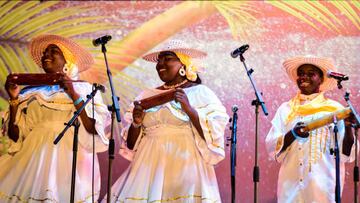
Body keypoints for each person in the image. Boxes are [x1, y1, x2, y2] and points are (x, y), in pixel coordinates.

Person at [108, 40, 229, 202]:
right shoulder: (145, 95)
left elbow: (214, 135)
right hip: (149, 165)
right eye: (159, 60)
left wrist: (189, 109)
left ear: (183, 64)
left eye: (168, 58)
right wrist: (136, 122)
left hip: (186, 165)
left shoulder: (201, 92)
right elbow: (130, 145)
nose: (160, 64)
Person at [0, 34, 110, 202]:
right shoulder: (28, 91)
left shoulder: (84, 88)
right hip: (32, 156)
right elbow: (15, 136)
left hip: (68, 157)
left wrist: (73, 93)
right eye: (45, 52)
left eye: (53, 51)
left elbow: (92, 129)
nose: (46, 55)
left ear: (67, 60)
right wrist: (14, 99)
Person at [265, 56, 357, 202]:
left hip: (323, 187)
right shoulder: (286, 109)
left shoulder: (335, 110)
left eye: (310, 73)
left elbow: (346, 154)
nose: (304, 77)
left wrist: (348, 127)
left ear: (321, 79)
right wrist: (293, 133)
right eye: (301, 73)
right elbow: (272, 147)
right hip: (291, 187)